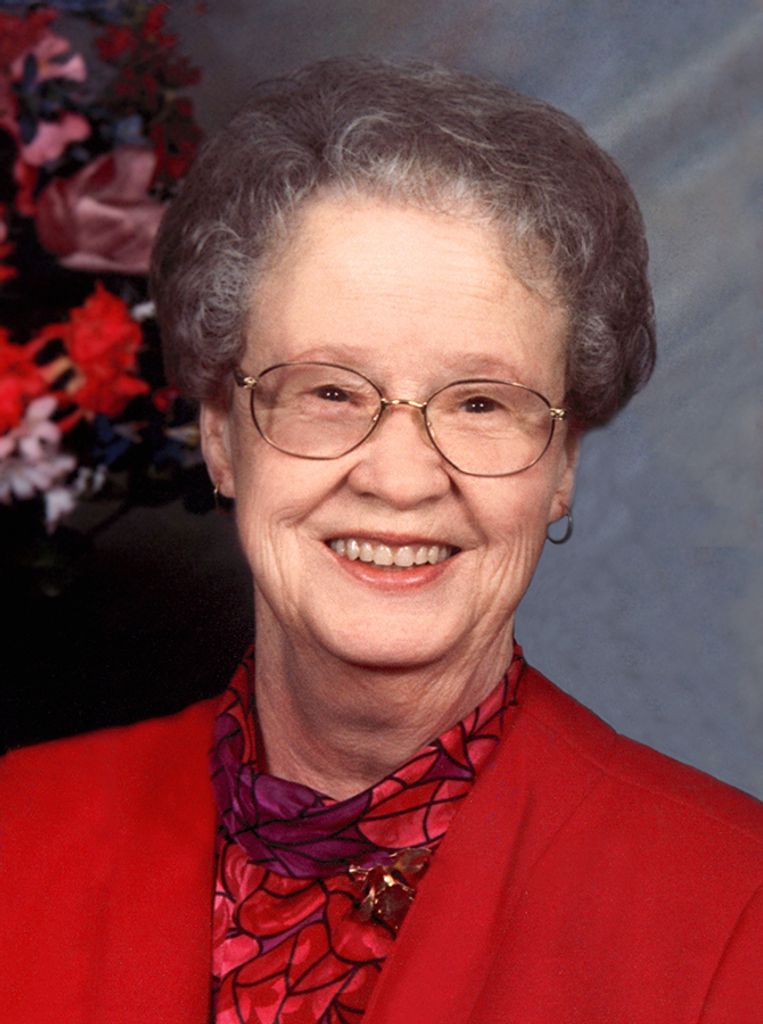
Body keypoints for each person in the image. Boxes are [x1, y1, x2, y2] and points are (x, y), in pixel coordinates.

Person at [2, 57, 762, 1024]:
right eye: (329, 391)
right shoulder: (15, 837)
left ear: (562, 462)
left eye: (480, 402)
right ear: (222, 437)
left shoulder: (735, 911)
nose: (400, 479)